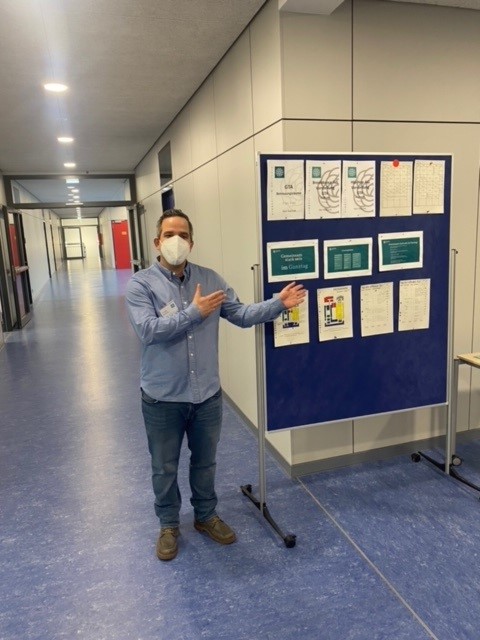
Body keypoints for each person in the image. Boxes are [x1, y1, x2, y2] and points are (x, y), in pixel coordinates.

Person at [125, 209, 305, 561]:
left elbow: (240, 314)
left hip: (206, 395)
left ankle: (205, 516)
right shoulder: (140, 285)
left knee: (205, 463)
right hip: (163, 397)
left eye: (183, 235)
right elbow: (148, 330)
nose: (176, 241)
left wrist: (277, 304)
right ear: (157, 242)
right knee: (164, 466)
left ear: (191, 243)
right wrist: (194, 312)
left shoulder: (210, 279)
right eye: (169, 234)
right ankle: (168, 524)